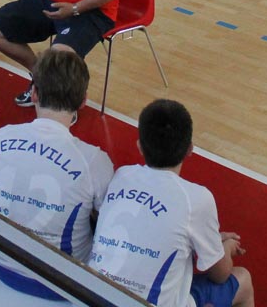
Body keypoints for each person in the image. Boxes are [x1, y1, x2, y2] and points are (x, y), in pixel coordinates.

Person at [88, 99, 255, 307]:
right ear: (190, 149)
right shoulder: (198, 199)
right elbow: (220, 275)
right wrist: (226, 248)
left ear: (139, 146)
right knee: (243, 280)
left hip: (92, 297)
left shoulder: (121, 176)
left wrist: (212, 239)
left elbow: (150, 227)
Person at [0, 50, 113, 300]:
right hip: (63, 283)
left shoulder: (2, 135)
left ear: (34, 93)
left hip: (1, 264)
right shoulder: (94, 160)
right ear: (83, 101)